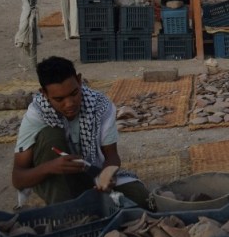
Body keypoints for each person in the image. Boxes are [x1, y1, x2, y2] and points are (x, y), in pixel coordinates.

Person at [11, 56, 150, 207]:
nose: (69, 104)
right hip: (55, 179)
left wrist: (106, 174)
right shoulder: (37, 114)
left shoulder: (100, 106)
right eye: (59, 99)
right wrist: (51, 167)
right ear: (44, 93)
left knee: (141, 198)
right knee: (50, 135)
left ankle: (84, 204)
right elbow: (18, 178)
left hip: (91, 174)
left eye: (74, 94)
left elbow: (112, 156)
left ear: (79, 80)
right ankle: (66, 211)